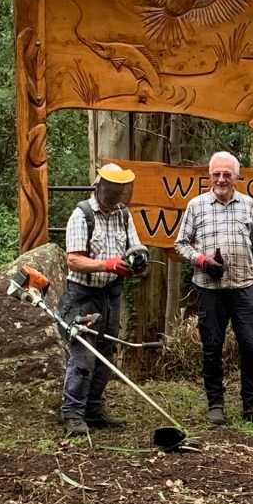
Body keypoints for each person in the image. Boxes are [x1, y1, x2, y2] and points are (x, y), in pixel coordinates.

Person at [173, 151, 253, 428]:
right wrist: (203, 260)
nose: (221, 179)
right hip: (209, 287)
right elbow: (181, 244)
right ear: (209, 176)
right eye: (216, 174)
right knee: (212, 347)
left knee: (251, 346)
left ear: (236, 177)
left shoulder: (248, 205)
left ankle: (251, 406)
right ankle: (215, 405)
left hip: (244, 286)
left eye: (226, 174)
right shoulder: (196, 205)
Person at [61, 163, 146, 438]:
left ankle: (94, 409)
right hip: (84, 295)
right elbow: (73, 260)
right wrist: (106, 265)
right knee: (84, 354)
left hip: (112, 292)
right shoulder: (82, 215)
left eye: (120, 191)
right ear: (98, 187)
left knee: (106, 352)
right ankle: (73, 413)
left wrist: (137, 262)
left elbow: (134, 246)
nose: (115, 196)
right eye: (111, 190)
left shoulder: (123, 215)